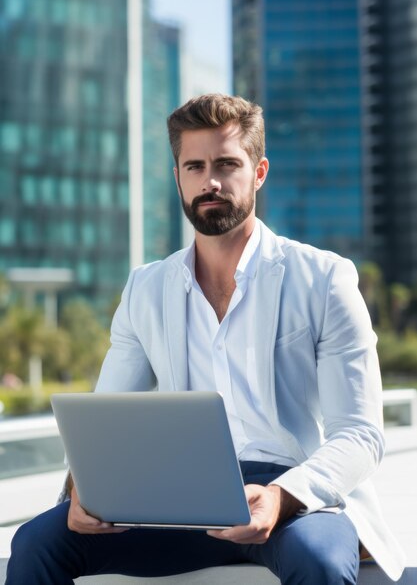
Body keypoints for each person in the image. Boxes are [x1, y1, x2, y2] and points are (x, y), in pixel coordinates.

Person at [6, 94, 404, 585]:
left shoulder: (324, 278)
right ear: (177, 177)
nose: (209, 181)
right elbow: (104, 415)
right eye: (193, 166)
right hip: (177, 497)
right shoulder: (145, 289)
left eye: (226, 164)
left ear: (258, 173)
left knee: (318, 560)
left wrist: (282, 497)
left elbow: (360, 433)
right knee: (35, 545)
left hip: (293, 495)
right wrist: (83, 487)